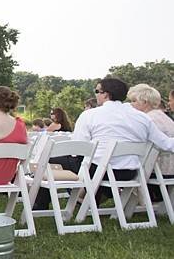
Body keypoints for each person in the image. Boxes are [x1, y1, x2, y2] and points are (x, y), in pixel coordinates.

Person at [70, 78, 174, 206]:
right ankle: (91, 199)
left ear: (106, 94)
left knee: (60, 161)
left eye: (97, 91)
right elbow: (167, 144)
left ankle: (82, 199)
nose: (95, 94)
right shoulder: (142, 117)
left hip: (100, 172)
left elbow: (78, 147)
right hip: (130, 172)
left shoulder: (89, 115)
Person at [127, 83, 174, 200]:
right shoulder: (164, 117)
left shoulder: (147, 120)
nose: (130, 105)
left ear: (145, 102)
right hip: (168, 167)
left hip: (156, 170)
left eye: (133, 101)